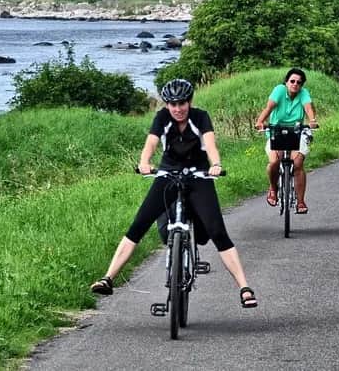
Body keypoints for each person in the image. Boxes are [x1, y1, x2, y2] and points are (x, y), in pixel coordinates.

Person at [89, 78, 258, 309]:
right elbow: (151, 143)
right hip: (167, 174)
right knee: (139, 224)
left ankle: (244, 288)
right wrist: (144, 162)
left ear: (189, 102)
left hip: (198, 176)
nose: (177, 109)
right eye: (172, 104)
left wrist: (215, 164)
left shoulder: (200, 117)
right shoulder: (162, 118)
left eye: (182, 103)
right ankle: (107, 278)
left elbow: (210, 145)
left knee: (217, 231)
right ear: (167, 104)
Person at [254, 68, 318, 214]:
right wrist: (260, 121)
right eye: (292, 81)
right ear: (286, 82)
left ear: (302, 85)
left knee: (297, 163)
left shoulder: (303, 93)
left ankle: (300, 201)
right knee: (274, 162)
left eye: (299, 82)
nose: (295, 84)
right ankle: (273, 188)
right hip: (276, 130)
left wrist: (312, 120)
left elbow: (308, 108)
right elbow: (269, 107)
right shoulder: (279, 90)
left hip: (297, 131)